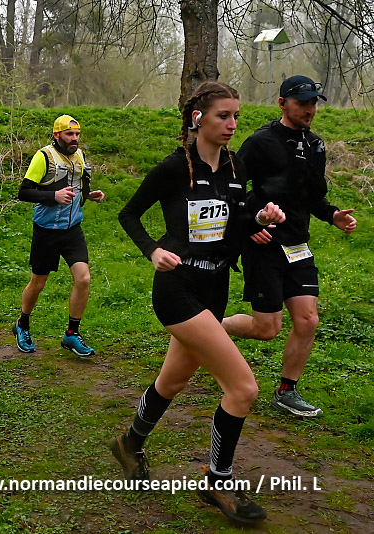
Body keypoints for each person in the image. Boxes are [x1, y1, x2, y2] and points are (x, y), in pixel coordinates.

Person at [114, 81, 285, 524]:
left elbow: (235, 218)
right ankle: (217, 480)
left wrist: (260, 216)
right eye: (223, 115)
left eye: (236, 116)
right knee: (243, 388)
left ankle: (129, 444)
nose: (232, 124)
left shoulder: (236, 165)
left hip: (215, 286)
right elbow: (128, 214)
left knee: (172, 381)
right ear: (198, 119)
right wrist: (153, 250)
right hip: (177, 288)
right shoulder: (174, 168)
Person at [222, 76, 357, 418]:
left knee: (308, 320)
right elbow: (231, 189)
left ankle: (286, 391)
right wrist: (250, 225)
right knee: (266, 329)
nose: (310, 109)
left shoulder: (315, 145)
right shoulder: (261, 142)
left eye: (313, 103)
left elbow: (311, 195)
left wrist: (332, 215)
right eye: (302, 103)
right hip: (265, 245)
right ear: (282, 103)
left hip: (297, 245)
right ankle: (210, 330)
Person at [12, 115, 105, 357]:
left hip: (72, 229)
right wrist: (53, 197)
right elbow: (24, 192)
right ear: (57, 135)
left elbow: (77, 187)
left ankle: (71, 334)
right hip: (46, 230)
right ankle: (22, 324)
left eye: (77, 134)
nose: (74, 139)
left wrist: (89, 195)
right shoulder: (44, 156)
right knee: (38, 283)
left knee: (83, 279)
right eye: (69, 134)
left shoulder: (79, 155)